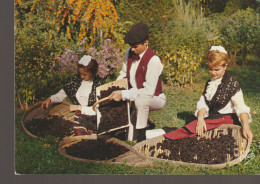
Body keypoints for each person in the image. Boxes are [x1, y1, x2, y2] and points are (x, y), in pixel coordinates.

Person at [164, 46, 253, 144]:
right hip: (213, 118)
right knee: (195, 127)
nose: (213, 73)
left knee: (193, 129)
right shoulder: (210, 83)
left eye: (216, 69)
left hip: (227, 119)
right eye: (210, 69)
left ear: (225, 66)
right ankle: (166, 134)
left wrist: (246, 126)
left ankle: (168, 134)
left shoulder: (232, 84)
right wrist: (201, 118)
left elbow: (240, 107)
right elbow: (204, 103)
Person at [108, 23, 166, 142]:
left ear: (146, 42)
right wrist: (114, 88)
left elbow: (148, 91)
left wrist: (124, 94)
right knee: (130, 138)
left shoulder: (154, 60)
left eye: (136, 46)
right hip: (137, 97)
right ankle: (164, 132)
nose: (133, 49)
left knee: (141, 100)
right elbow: (123, 73)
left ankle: (142, 141)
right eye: (131, 46)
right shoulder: (129, 52)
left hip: (154, 98)